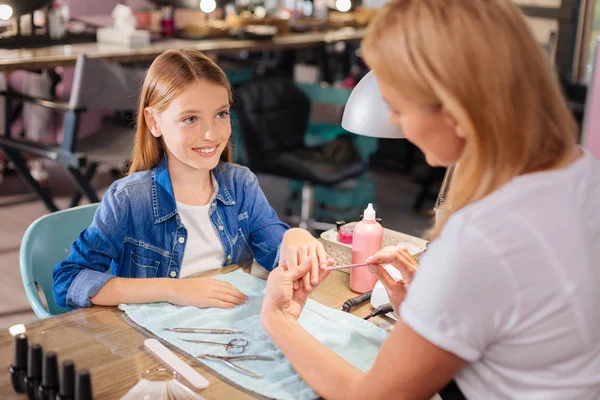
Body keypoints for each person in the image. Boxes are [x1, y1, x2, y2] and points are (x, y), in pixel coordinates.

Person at [260, 0, 600, 398]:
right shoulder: (582, 170)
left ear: (455, 110)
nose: (395, 122)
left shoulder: (483, 238)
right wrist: (429, 308)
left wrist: (277, 318)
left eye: (398, 107)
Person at [53, 49, 330, 311]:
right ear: (154, 122)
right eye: (190, 119)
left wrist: (295, 236)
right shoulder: (129, 199)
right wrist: (176, 290)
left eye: (221, 114)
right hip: (150, 345)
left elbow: (275, 251)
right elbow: (68, 280)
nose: (210, 134)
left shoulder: (241, 184)